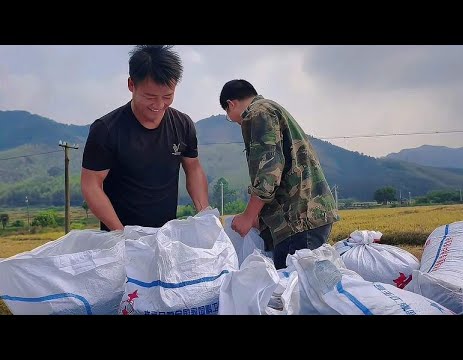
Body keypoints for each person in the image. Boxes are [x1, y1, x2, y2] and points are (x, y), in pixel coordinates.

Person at [81, 45, 209, 231]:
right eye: (150, 96)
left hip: (164, 236)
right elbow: (91, 184)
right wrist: (120, 233)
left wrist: (204, 215)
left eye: (167, 96)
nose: (159, 105)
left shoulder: (182, 124)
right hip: (120, 238)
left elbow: (193, 168)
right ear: (131, 84)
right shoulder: (106, 130)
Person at [219, 79, 340, 269]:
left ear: (230, 104)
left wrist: (248, 216)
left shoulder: (258, 112)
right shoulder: (271, 109)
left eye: (231, 117)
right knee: (305, 289)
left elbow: (269, 169)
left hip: (296, 222)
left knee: (293, 290)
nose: (237, 123)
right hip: (307, 216)